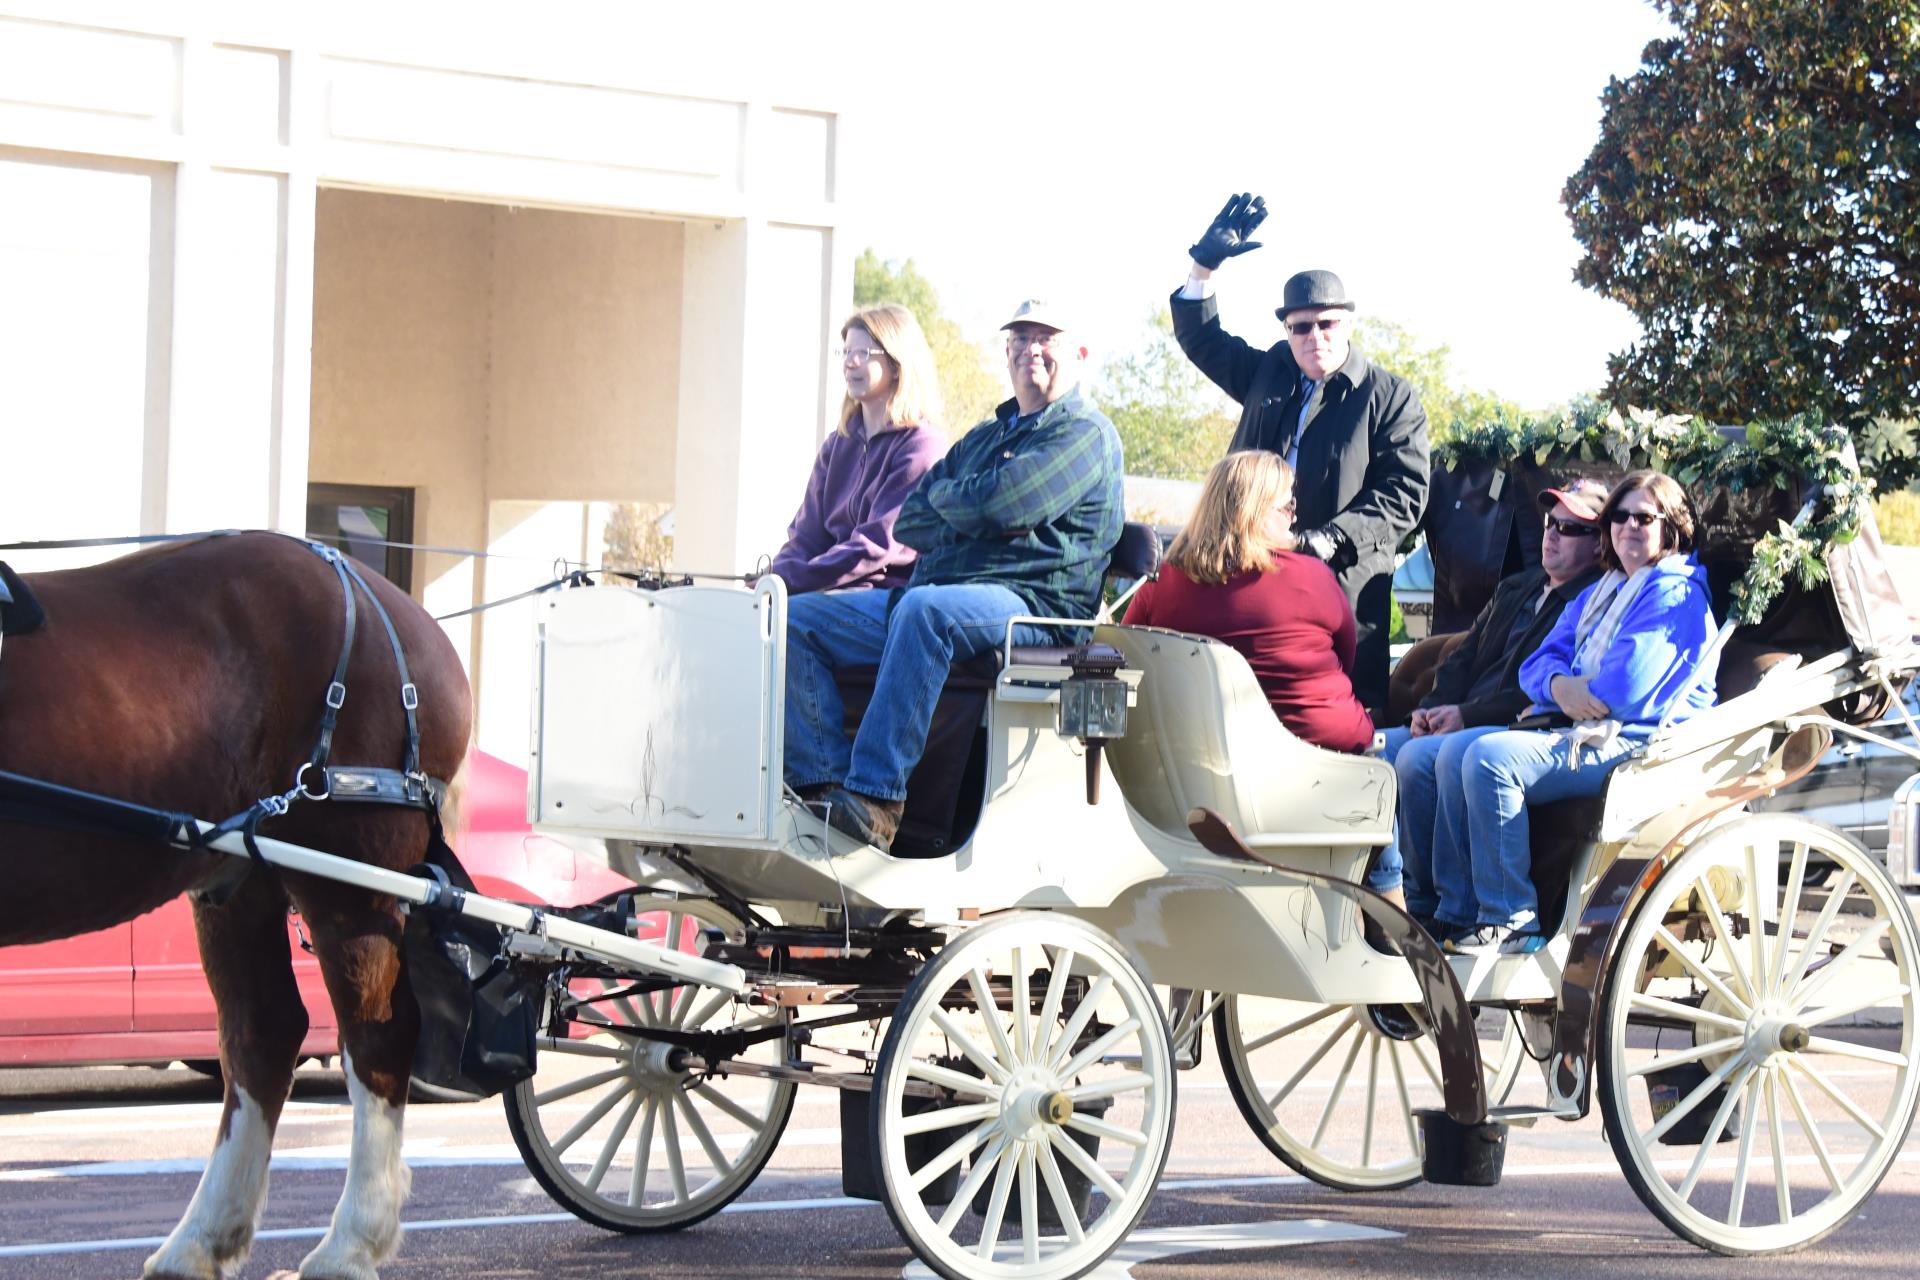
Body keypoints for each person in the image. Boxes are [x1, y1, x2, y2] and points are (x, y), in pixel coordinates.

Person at [782, 299, 1125, 852]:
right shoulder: (988, 436)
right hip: (946, 595)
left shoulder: (1085, 434)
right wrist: (971, 508)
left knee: (926, 611)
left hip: (1034, 609)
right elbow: (915, 518)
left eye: (1046, 338)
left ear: (1079, 354)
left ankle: (875, 800)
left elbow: (1008, 505)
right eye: (1018, 339)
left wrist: (965, 508)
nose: (1029, 350)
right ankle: (820, 788)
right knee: (795, 621)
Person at [1169, 192, 1429, 716]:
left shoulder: (1389, 397)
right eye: (1300, 326)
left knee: (1332, 729)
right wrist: (1203, 266)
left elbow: (1405, 495)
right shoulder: (1270, 371)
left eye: (1326, 323)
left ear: (1348, 325)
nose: (1314, 336)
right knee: (1230, 716)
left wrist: (1331, 539)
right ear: (1286, 331)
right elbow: (1201, 339)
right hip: (1244, 579)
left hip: (1338, 590)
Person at [1437, 470, 1717, 954]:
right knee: (1449, 751)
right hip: (1584, 726)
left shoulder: (1675, 592)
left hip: (1639, 745)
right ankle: (1453, 910)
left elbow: (1624, 688)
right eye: (1620, 517)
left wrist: (1567, 688)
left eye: (1643, 518)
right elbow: (1536, 664)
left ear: (1669, 528)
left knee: (1490, 759)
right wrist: (1560, 686)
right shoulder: (1602, 591)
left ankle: (1512, 919)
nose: (1629, 526)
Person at [1387, 477, 1610, 931]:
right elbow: (1461, 657)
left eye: (1570, 529)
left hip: (1519, 725)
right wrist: (1429, 708)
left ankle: (1445, 908)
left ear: (1598, 545)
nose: (1552, 535)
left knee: (1420, 758)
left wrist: (1464, 715)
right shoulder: (1518, 587)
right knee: (1380, 752)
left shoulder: (1590, 599)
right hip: (1463, 717)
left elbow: (1541, 687)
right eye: (1551, 523)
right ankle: (1394, 894)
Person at [1124, 451, 1371, 753]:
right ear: (1256, 511)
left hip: (1197, 765)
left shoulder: (1160, 583)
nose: (1295, 517)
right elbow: (1346, 659)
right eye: (1288, 505)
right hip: (1327, 764)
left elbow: (1128, 656)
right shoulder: (1313, 578)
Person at [768, 304, 947, 593]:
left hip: (885, 595)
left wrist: (793, 580)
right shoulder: (837, 445)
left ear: (897, 364)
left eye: (863, 353)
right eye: (846, 352)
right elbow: (805, 538)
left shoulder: (922, 446)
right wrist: (773, 578)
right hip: (827, 590)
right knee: (746, 617)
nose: (849, 363)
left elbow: (876, 544)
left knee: (785, 623)